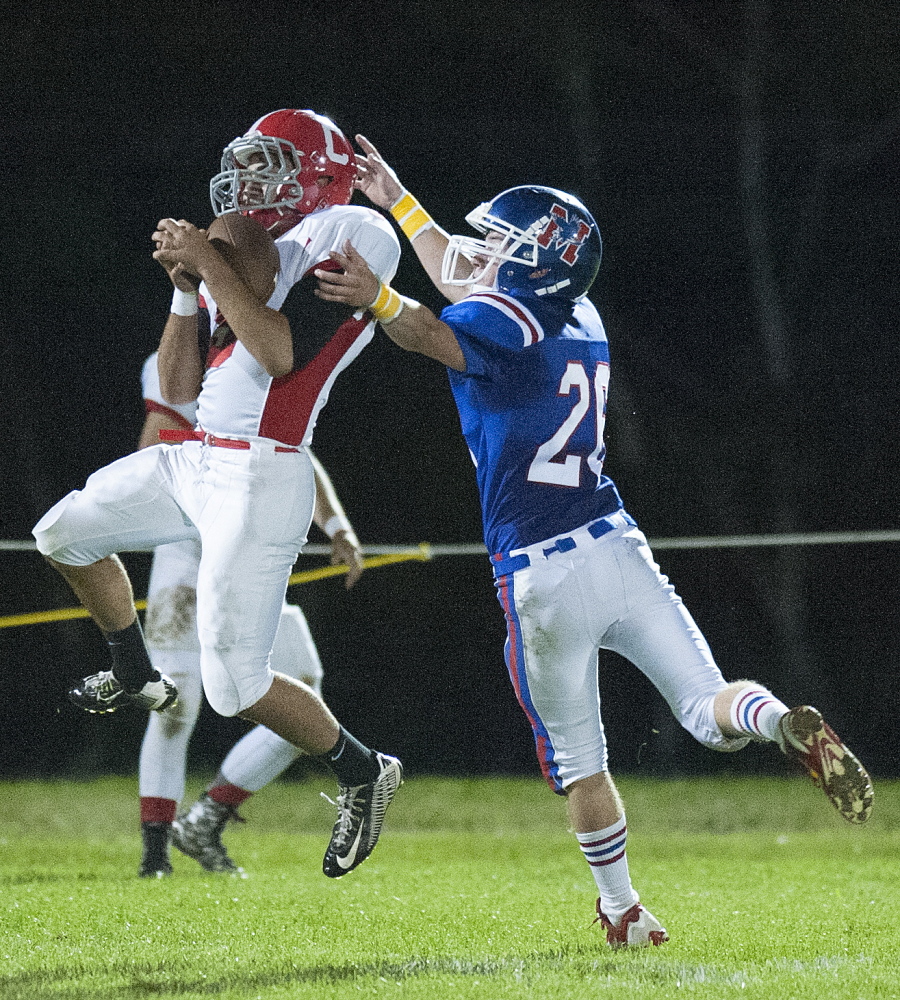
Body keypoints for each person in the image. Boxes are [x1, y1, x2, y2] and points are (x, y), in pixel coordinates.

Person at [311, 138, 875, 946]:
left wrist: (380, 300)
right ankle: (777, 719)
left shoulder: (505, 319)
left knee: (582, 764)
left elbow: (437, 330)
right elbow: (465, 281)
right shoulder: (579, 312)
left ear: (535, 262)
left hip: (541, 580)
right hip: (615, 542)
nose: (486, 253)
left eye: (506, 245)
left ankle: (625, 907)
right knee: (705, 708)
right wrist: (398, 200)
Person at [32, 110, 403, 879]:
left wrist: (207, 253)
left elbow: (275, 351)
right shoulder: (251, 252)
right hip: (199, 458)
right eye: (247, 164)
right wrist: (182, 289)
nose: (249, 183)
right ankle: (132, 666)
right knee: (62, 530)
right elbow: (177, 394)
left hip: (263, 472)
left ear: (319, 172)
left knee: (235, 685)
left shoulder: (356, 231)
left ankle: (365, 770)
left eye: (271, 165)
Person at [137, 351, 365, 878]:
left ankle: (205, 818)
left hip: (247, 545)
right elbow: (153, 448)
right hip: (187, 544)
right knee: (175, 701)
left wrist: (336, 525)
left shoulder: (271, 347)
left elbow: (293, 449)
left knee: (303, 689)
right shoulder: (178, 359)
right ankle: (154, 857)